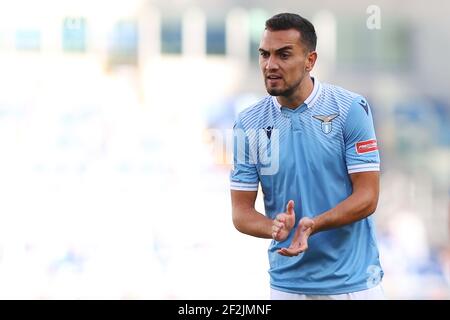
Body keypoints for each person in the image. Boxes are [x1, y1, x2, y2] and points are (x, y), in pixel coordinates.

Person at [230, 13, 385, 299]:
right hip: (286, 287)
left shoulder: (351, 109)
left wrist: (314, 224)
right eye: (264, 54)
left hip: (354, 285)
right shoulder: (247, 123)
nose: (270, 65)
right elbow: (241, 212)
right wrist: (273, 227)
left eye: (283, 55)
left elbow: (368, 197)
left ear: (310, 61)